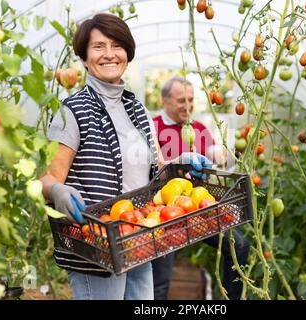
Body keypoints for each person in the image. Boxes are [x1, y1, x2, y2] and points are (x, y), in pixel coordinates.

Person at [40, 14, 211, 300]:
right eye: (98, 46)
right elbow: (48, 177)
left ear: (127, 54)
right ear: (83, 57)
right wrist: (57, 190)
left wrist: (182, 161)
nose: (109, 54)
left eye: (117, 45)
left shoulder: (137, 109)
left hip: (138, 239)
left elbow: (156, 169)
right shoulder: (73, 111)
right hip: (96, 244)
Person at [151, 76, 250, 300]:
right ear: (165, 100)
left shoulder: (197, 128)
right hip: (167, 214)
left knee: (239, 244)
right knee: (161, 278)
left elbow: (216, 154)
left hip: (198, 208)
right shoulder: (153, 127)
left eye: (191, 99)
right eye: (180, 100)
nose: (188, 105)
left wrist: (232, 152)